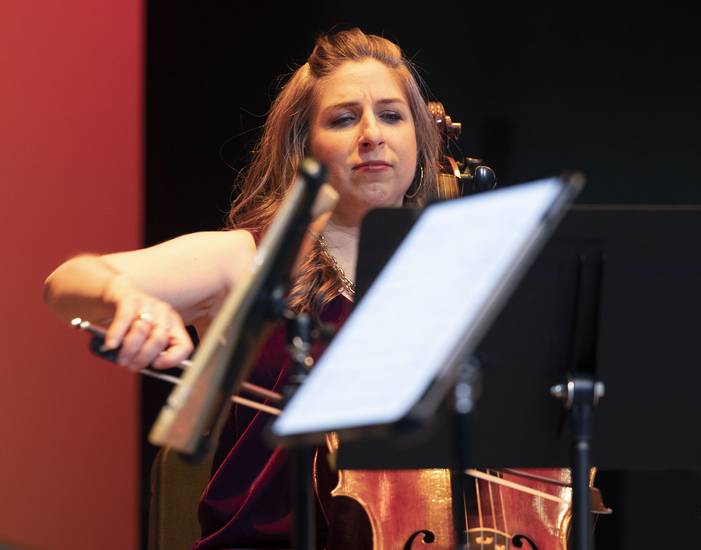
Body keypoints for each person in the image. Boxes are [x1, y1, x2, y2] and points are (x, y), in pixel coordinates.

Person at [44, 27, 443, 548]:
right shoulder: (248, 260)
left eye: (392, 115)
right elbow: (66, 282)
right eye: (344, 119)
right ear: (304, 147)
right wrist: (128, 300)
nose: (372, 134)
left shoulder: (447, 275)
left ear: (418, 136)